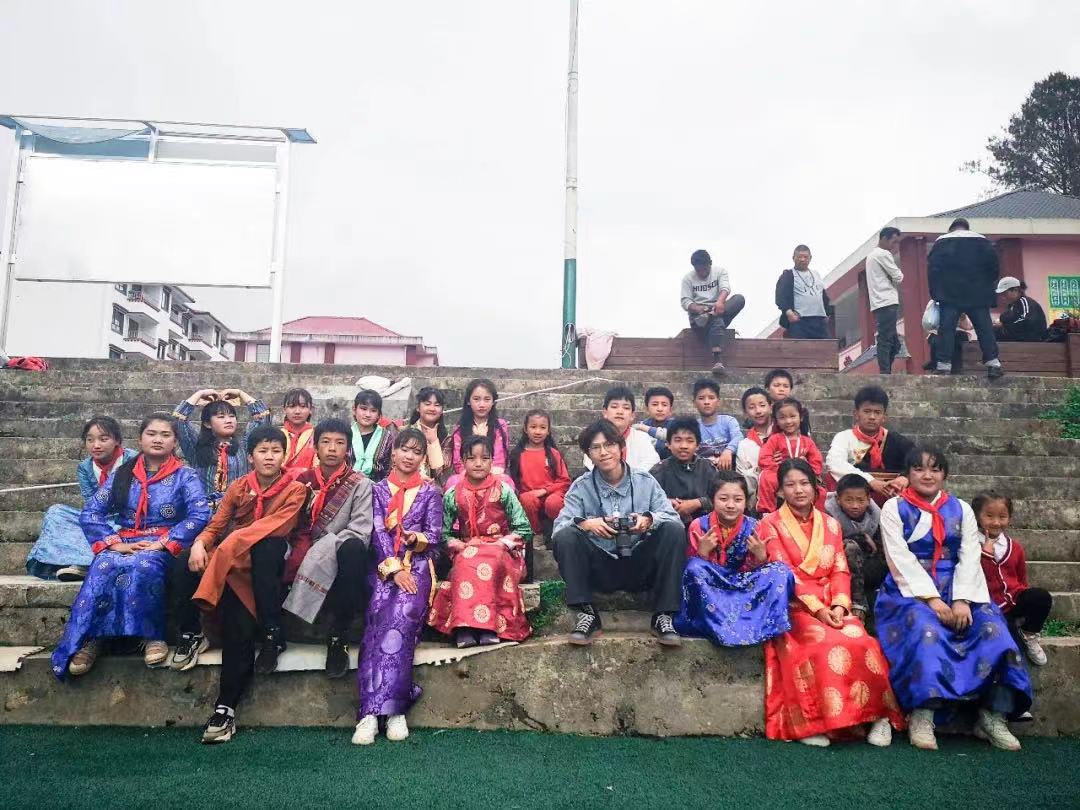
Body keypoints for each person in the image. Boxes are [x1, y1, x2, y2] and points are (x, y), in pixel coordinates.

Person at [876, 446, 1033, 751]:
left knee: (994, 631)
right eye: (919, 469)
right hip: (910, 590)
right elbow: (899, 557)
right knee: (926, 631)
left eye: (935, 469)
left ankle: (992, 716)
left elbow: (970, 554)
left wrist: (962, 600)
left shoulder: (961, 508)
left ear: (945, 474)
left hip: (961, 586)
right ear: (908, 474)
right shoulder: (894, 508)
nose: (927, 475)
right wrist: (933, 601)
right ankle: (923, 714)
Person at [171, 426, 308, 743]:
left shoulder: (295, 489)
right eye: (263, 451)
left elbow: (276, 526)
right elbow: (216, 524)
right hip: (233, 564)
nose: (269, 457)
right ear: (250, 456)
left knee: (241, 624)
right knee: (184, 560)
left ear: (284, 455)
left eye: (276, 451)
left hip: (262, 568)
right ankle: (192, 634)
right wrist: (201, 543)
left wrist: (229, 543)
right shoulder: (239, 486)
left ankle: (225, 708)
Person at [52, 414, 210, 679]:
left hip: (161, 542)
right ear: (140, 439)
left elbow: (200, 513)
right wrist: (114, 543)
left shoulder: (185, 476)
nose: (157, 439)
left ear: (175, 442)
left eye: (165, 435)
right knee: (103, 565)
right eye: (151, 434)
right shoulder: (123, 474)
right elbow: (91, 512)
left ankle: (152, 635)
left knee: (143, 565)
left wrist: (164, 542)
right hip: (124, 540)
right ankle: (94, 638)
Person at [758, 459, 904, 747]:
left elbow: (840, 569)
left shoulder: (831, 524)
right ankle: (816, 723)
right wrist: (818, 610)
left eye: (804, 483)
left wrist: (839, 605)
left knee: (863, 640)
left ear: (816, 488)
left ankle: (878, 716)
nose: (799, 490)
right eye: (790, 484)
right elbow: (783, 571)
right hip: (794, 606)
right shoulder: (769, 524)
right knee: (822, 643)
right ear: (780, 491)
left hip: (832, 602)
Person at [551, 420, 685, 647]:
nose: (603, 452)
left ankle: (663, 615)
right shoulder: (581, 487)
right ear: (588, 455)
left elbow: (674, 519)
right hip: (600, 567)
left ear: (621, 447)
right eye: (595, 447)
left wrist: (648, 520)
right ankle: (587, 613)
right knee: (566, 536)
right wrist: (587, 524)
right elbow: (558, 529)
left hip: (640, 564)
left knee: (673, 530)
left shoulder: (645, 481)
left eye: (609, 445)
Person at [354, 428, 443, 746]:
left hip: (417, 567)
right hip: (383, 568)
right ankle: (372, 711)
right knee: (377, 619)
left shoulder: (431, 492)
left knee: (401, 620)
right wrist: (393, 570)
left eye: (417, 452)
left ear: (423, 458)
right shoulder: (377, 490)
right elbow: (377, 532)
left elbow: (435, 534)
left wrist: (415, 539)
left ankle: (392, 711)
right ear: (392, 452)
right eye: (404, 449)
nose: (409, 456)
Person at [283, 418, 374, 679]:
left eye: (339, 443)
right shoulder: (302, 481)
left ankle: (339, 635)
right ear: (315, 446)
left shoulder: (360, 483)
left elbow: (360, 529)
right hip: (302, 544)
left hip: (339, 548)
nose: (332, 448)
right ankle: (272, 632)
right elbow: (289, 522)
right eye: (326, 442)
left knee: (354, 549)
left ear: (348, 448)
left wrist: (323, 547)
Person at [429, 435, 533, 648]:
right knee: (465, 560)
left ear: (492, 461)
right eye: (472, 458)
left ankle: (488, 627)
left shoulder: (503, 490)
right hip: (468, 547)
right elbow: (443, 533)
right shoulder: (452, 494)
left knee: (491, 559)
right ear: (462, 462)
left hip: (500, 548)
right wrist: (456, 544)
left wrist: (502, 543)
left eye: (485, 458)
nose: (478, 463)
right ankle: (464, 628)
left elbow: (524, 528)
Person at [674, 471, 794, 646]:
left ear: (746, 502)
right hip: (714, 587)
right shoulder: (698, 525)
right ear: (712, 500)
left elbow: (757, 570)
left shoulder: (755, 527)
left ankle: (757, 625)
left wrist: (760, 556)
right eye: (723, 499)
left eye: (738, 500)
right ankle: (716, 625)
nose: (730, 505)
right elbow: (694, 574)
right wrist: (703, 553)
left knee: (781, 571)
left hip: (744, 585)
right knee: (694, 567)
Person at [26, 416, 137, 581]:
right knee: (56, 512)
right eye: (90, 440)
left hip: (127, 518)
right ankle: (82, 562)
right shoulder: (85, 467)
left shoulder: (133, 460)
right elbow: (91, 503)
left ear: (117, 441)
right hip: (101, 518)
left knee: (118, 526)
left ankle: (85, 564)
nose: (96, 445)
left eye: (103, 439)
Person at [973, 491, 1052, 667]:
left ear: (1009, 518)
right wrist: (986, 555)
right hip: (988, 607)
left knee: (1040, 597)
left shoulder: (1014, 547)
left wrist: (1025, 598)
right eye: (989, 516)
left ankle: (1028, 633)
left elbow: (1021, 578)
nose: (996, 522)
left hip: (1015, 601)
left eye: (1002, 517)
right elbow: (976, 576)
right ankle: (1012, 630)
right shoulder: (970, 545)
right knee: (1007, 642)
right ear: (977, 516)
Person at [927, 217, 1004, 379]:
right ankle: (993, 364)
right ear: (967, 228)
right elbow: (994, 268)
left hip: (950, 294)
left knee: (946, 329)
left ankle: (943, 365)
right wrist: (985, 286)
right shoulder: (982, 242)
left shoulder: (942, 242)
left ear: (951, 229)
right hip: (978, 294)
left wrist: (936, 294)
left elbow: (933, 270)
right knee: (984, 329)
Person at [173, 388, 271, 509]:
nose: (228, 420)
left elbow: (263, 417)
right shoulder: (196, 447)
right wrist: (200, 394)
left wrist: (240, 393)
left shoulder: (244, 445)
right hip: (204, 512)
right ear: (207, 423)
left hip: (237, 510)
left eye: (232, 416)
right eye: (221, 417)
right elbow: (179, 419)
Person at [825, 385, 914, 504]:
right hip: (853, 500)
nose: (872, 417)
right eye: (867, 411)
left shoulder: (897, 440)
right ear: (856, 414)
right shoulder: (844, 437)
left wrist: (905, 478)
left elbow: (918, 461)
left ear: (884, 417)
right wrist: (871, 482)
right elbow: (835, 463)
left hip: (890, 498)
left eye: (877, 412)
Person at [824, 475, 885, 621]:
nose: (855, 505)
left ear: (868, 499)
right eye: (849, 500)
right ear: (838, 499)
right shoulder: (828, 515)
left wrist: (873, 545)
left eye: (860, 500)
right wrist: (860, 538)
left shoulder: (877, 515)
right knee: (849, 546)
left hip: (869, 563)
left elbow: (882, 547)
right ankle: (858, 602)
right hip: (840, 565)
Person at [680, 248, 746, 374]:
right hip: (699, 315)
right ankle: (717, 359)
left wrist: (720, 302)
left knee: (739, 299)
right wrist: (700, 309)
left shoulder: (720, 272)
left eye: (704, 269)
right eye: (698, 270)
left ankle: (712, 315)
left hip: (719, 308)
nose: (702, 273)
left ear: (710, 263)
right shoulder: (688, 279)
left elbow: (725, 288)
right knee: (717, 320)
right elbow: (685, 301)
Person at [508, 409, 572, 538]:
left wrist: (544, 490)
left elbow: (564, 481)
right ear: (525, 429)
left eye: (542, 427)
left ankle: (558, 531)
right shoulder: (517, 454)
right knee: (526, 500)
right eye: (533, 427)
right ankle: (536, 533)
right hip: (530, 496)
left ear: (548, 431)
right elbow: (514, 482)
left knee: (553, 503)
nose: (537, 431)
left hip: (552, 494)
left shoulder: (553, 454)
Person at [755, 398, 824, 514]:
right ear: (776, 420)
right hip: (779, 473)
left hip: (802, 474)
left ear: (801, 417)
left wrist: (809, 469)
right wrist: (777, 467)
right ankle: (766, 511)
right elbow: (764, 458)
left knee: (821, 491)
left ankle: (818, 515)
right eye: (782, 418)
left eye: (792, 416)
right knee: (766, 477)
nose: (788, 421)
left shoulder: (807, 441)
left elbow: (816, 461)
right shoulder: (774, 439)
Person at [650, 417, 719, 526]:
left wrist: (698, 503)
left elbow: (720, 497)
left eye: (690, 441)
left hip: (705, 526)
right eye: (678, 440)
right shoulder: (658, 471)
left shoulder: (708, 468)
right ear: (668, 444)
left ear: (698, 445)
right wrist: (668, 503)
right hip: (669, 525)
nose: (683, 446)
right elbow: (648, 500)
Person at [446, 378, 513, 487]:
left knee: (507, 482)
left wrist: (487, 473)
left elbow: (500, 459)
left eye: (487, 399)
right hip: (467, 475)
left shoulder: (500, 426)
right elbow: (458, 461)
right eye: (476, 399)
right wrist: (472, 474)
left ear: (493, 402)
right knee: (452, 482)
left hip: (493, 473)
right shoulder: (460, 428)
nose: (481, 404)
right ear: (469, 401)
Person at [582, 386, 661, 473]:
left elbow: (652, 461)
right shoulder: (594, 437)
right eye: (614, 407)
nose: (620, 412)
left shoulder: (642, 437)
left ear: (632, 415)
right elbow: (590, 464)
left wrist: (627, 477)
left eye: (626, 408)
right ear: (605, 412)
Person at [866, 227, 904, 374]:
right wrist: (892, 277)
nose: (894, 246)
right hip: (887, 301)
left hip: (878, 303)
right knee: (886, 339)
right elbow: (899, 277)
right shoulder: (883, 254)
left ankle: (886, 370)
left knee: (894, 343)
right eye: (893, 241)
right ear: (884, 239)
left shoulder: (871, 256)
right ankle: (885, 372)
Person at [775, 245, 832, 339]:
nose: (802, 259)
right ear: (793, 258)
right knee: (801, 347)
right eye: (799, 257)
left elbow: (823, 295)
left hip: (819, 321)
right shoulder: (788, 275)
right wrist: (789, 313)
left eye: (805, 257)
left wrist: (827, 313)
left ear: (810, 258)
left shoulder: (816, 274)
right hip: (800, 321)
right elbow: (781, 296)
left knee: (826, 346)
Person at [692, 378, 743, 471]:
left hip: (728, 471)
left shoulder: (728, 421)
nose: (706, 402)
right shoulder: (693, 426)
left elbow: (738, 437)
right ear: (694, 403)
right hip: (702, 472)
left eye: (711, 398)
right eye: (701, 398)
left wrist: (728, 451)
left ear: (718, 401)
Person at [735, 386, 773, 502]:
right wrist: (759, 469)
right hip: (758, 499)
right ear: (745, 413)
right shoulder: (744, 445)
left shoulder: (784, 435)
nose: (758, 411)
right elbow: (742, 477)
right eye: (752, 407)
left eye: (762, 405)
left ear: (770, 407)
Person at [351, 389, 397, 482]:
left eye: (373, 410)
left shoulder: (387, 437)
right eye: (363, 409)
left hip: (377, 486)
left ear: (379, 415)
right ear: (354, 409)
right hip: (345, 485)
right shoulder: (345, 434)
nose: (367, 414)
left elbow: (390, 467)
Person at [407, 386, 451, 484]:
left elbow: (441, 474)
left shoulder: (447, 439)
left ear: (442, 410)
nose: (432, 408)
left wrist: (434, 442)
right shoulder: (405, 433)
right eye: (427, 404)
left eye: (437, 405)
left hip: (435, 487)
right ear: (418, 407)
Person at [994, 277, 1048, 342]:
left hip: (1031, 339)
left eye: (1004, 293)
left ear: (1015, 290)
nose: (1003, 297)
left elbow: (1027, 321)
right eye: (1001, 294)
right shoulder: (1012, 306)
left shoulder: (1025, 302)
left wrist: (1004, 326)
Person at [763, 369, 812, 433]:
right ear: (767, 389)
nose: (781, 389)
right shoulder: (762, 410)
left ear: (790, 390)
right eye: (776, 385)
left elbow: (805, 433)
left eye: (786, 386)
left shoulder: (800, 410)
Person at [633, 386, 676, 460]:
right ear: (646, 409)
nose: (660, 409)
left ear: (670, 409)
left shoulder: (677, 425)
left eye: (664, 405)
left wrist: (647, 429)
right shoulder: (640, 427)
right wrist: (664, 445)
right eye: (655, 404)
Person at [280, 387, 317, 473]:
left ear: (311, 409)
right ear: (284, 409)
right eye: (292, 406)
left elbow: (318, 465)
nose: (297, 411)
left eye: (303, 406)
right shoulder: (277, 434)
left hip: (308, 479)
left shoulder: (316, 435)